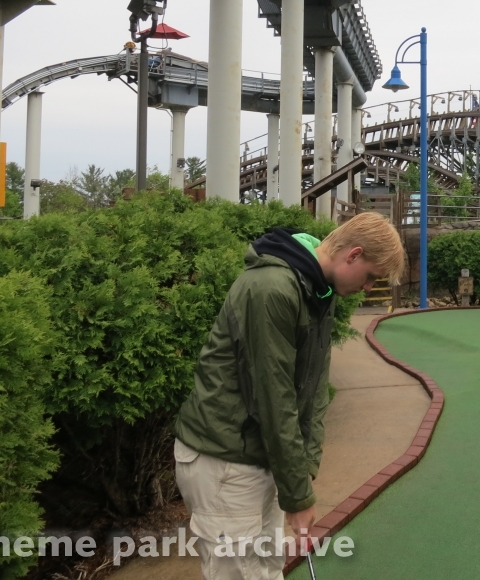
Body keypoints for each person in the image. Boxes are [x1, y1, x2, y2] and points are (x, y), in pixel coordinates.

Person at [173, 212, 405, 580]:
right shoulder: (272, 288)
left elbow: (314, 387)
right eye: (371, 276)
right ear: (353, 254)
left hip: (260, 455)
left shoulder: (318, 289)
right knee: (242, 573)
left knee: (267, 568)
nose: (367, 287)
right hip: (226, 460)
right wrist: (297, 497)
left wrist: (305, 467)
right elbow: (273, 399)